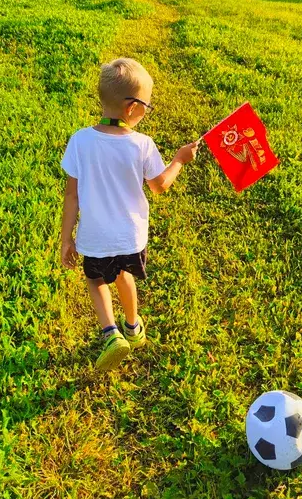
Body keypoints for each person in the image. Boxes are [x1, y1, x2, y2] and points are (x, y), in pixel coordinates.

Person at [60, 58, 200, 371]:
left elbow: (71, 194)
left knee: (96, 280)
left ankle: (111, 333)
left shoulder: (80, 141)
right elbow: (160, 185)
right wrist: (179, 159)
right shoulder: (142, 145)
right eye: (147, 107)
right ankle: (133, 328)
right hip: (130, 236)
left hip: (95, 237)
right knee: (124, 275)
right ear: (132, 108)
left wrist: (65, 238)